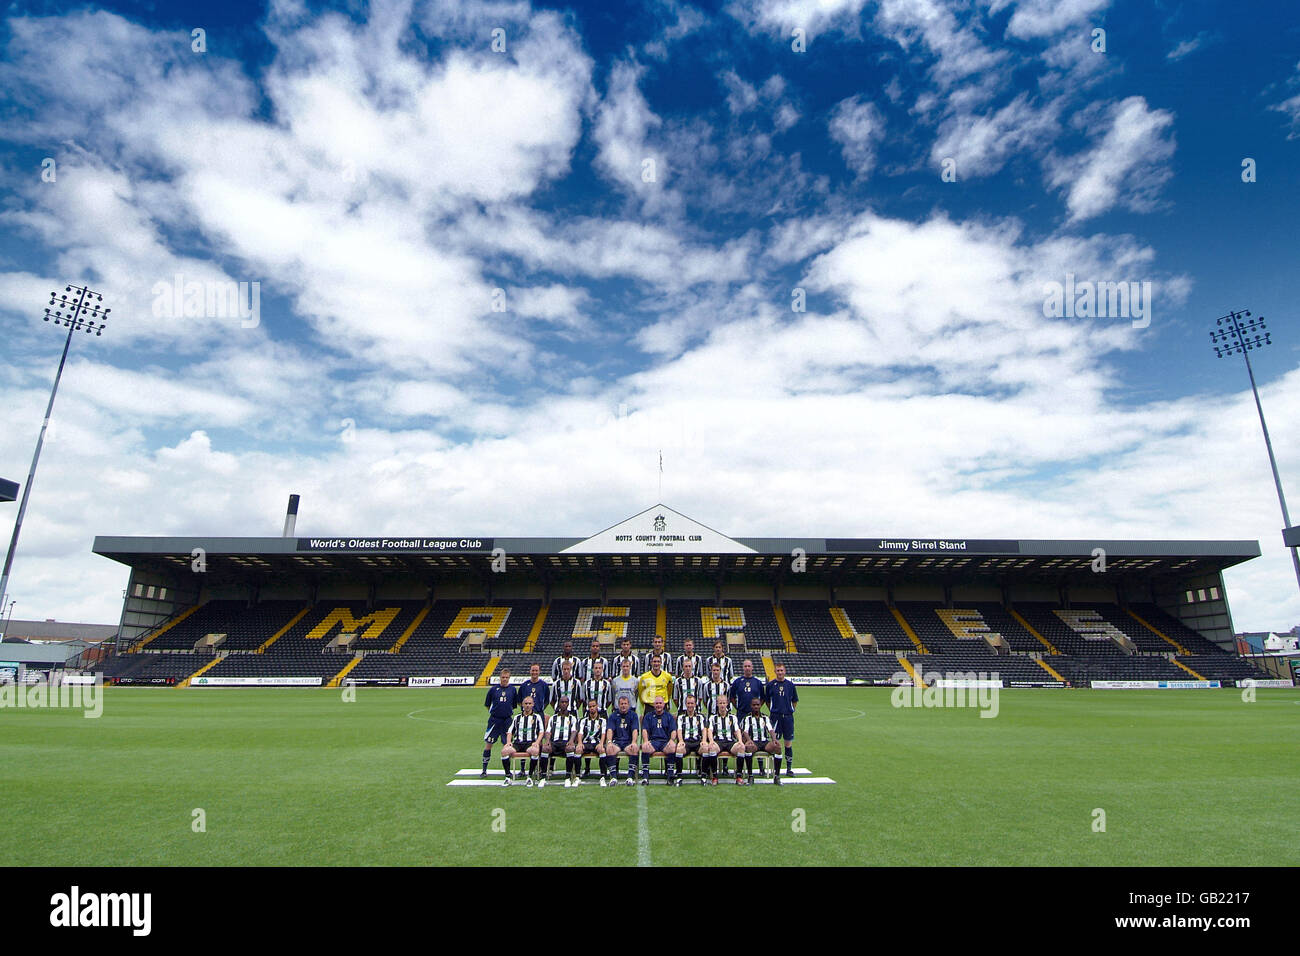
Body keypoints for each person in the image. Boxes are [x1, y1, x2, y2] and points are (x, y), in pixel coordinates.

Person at [500, 695, 545, 786]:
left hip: (530, 743)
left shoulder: (537, 717)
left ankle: (529, 776)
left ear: (533, 705)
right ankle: (508, 777)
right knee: (504, 751)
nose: (527, 705)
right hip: (518, 743)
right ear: (522, 705)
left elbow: (541, 732)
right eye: (526, 704)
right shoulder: (517, 717)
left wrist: (537, 742)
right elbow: (509, 732)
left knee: (535, 751)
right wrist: (508, 742)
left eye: (529, 703)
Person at [480, 668, 518, 777]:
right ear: (500, 678)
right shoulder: (493, 689)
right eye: (503, 677)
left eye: (506, 677)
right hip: (494, 721)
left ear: (509, 678)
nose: (504, 679)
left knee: (508, 745)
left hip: (507, 721)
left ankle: (508, 771)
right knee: (489, 743)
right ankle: (484, 770)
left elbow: (514, 705)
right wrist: (495, 713)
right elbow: (487, 704)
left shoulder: (513, 690)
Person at [579, 658, 613, 778]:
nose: (598, 670)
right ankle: (587, 768)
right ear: (593, 670)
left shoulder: (607, 684)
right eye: (596, 668)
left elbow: (609, 700)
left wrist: (601, 708)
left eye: (600, 668)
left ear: (602, 670)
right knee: (588, 737)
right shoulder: (587, 683)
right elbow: (583, 699)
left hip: (602, 713)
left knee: (603, 740)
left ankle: (604, 768)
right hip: (589, 713)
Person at [703, 694, 746, 786]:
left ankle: (739, 776)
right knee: (712, 748)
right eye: (720, 703)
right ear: (717, 704)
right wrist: (711, 741)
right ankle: (714, 776)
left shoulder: (733, 717)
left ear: (727, 704)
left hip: (730, 741)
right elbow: (709, 730)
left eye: (724, 703)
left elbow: (737, 730)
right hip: (718, 742)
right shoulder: (713, 718)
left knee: (741, 748)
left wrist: (740, 741)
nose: (722, 705)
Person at [765, 662, 798, 778]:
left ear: (785, 671)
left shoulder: (790, 685)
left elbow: (795, 700)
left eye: (781, 670)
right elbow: (767, 701)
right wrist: (774, 710)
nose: (779, 672)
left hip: (788, 717)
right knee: (775, 743)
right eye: (777, 670)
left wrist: (790, 710)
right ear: (775, 671)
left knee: (788, 743)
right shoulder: (770, 685)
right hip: (775, 717)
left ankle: (789, 768)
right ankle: (775, 769)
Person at [601, 695, 640, 787]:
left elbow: (635, 730)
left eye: (625, 704)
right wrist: (609, 742)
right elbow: (610, 730)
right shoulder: (613, 716)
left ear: (629, 705)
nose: (623, 706)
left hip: (628, 742)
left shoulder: (633, 715)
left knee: (634, 748)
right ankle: (613, 777)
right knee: (609, 749)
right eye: (621, 704)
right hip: (617, 742)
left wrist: (634, 742)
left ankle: (630, 778)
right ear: (618, 705)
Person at [637, 695, 677, 785]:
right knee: (645, 747)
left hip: (665, 742)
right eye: (656, 703)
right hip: (653, 742)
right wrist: (646, 741)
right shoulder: (648, 716)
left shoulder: (669, 716)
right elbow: (644, 730)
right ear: (654, 705)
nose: (658, 705)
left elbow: (673, 731)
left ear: (664, 704)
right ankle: (645, 776)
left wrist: (671, 740)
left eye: (660, 703)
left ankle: (670, 775)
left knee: (672, 747)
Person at [740, 697, 781, 785]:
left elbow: (771, 730)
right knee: (749, 747)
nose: (756, 707)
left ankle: (777, 777)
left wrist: (774, 740)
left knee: (778, 747)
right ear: (751, 706)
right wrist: (749, 740)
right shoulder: (747, 718)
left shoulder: (765, 718)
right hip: (754, 742)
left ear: (760, 705)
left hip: (764, 742)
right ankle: (750, 776)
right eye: (754, 705)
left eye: (757, 705)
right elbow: (745, 731)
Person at [542, 695, 579, 788]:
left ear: (568, 704)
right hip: (554, 742)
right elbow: (548, 731)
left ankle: (567, 777)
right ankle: (543, 777)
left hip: (565, 742)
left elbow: (574, 731)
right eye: (562, 702)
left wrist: (571, 741)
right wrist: (547, 741)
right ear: (558, 704)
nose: (564, 704)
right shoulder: (553, 718)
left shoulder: (572, 718)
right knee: (545, 748)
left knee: (570, 748)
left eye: (566, 702)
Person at [672, 694, 707, 785]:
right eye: (688, 703)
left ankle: (703, 776)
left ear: (695, 704)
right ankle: (679, 776)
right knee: (679, 750)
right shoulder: (681, 717)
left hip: (697, 742)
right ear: (685, 704)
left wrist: (703, 741)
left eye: (692, 703)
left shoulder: (700, 717)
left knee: (705, 749)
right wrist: (680, 741)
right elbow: (679, 730)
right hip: (686, 742)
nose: (690, 705)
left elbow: (704, 730)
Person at [573, 699, 606, 788]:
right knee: (578, 749)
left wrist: (601, 743)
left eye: (593, 706)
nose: (592, 708)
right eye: (590, 707)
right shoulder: (583, 720)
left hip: (597, 742)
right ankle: (577, 776)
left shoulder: (602, 720)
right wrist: (580, 742)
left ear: (597, 707)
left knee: (602, 750)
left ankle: (603, 776)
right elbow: (580, 733)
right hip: (586, 742)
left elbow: (603, 733)